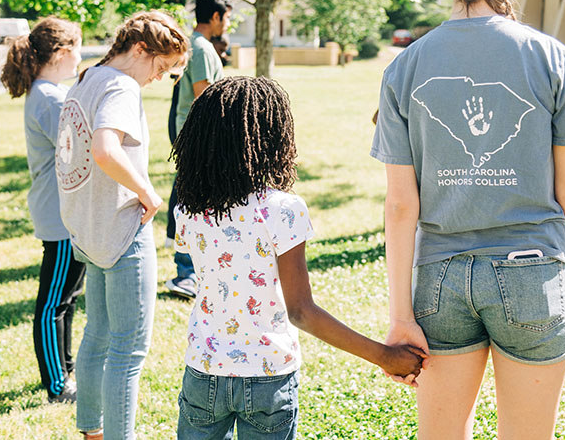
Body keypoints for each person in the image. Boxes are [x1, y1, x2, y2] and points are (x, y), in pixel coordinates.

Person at [371, 0, 565, 439]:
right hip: (536, 271)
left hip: (440, 279)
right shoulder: (553, 58)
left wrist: (400, 313)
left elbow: (402, 205)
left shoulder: (405, 66)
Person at [171, 77, 425, 439]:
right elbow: (301, 311)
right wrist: (383, 355)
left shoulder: (190, 208)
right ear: (273, 138)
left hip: (203, 369)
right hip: (268, 376)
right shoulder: (282, 209)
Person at [55, 11, 190, 440]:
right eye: (162, 67)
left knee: (96, 335)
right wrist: (148, 193)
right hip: (121, 230)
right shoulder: (121, 86)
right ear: (139, 50)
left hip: (87, 229)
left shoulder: (87, 78)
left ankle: (92, 431)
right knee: (129, 350)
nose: (158, 78)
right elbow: (104, 149)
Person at [0, 17, 86, 404]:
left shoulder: (51, 92)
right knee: (53, 304)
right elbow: (77, 150)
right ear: (64, 52)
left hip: (65, 216)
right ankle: (57, 384)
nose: (81, 57)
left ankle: (65, 372)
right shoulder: (50, 98)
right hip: (61, 219)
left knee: (64, 299)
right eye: (79, 49)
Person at [166, 0, 232, 299]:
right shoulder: (204, 48)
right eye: (226, 17)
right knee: (194, 202)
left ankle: (193, 270)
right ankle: (187, 274)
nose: (227, 24)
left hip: (189, 133)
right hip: (197, 135)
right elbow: (205, 95)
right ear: (215, 17)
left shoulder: (195, 43)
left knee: (192, 198)